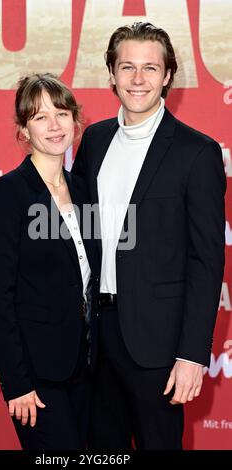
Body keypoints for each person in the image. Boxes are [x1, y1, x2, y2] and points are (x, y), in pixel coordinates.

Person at [72, 22, 226, 450]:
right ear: (111, 75)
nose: (138, 80)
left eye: (150, 68)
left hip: (158, 345)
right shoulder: (95, 140)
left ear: (168, 76)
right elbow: (82, 233)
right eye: (127, 67)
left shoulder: (197, 153)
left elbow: (206, 260)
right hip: (96, 339)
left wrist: (193, 354)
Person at [0, 73, 99, 450]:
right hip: (36, 374)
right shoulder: (6, 194)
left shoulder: (82, 189)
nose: (54, 125)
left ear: (75, 121)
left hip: (87, 365)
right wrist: (17, 382)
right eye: (40, 117)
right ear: (24, 130)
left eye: (61, 113)